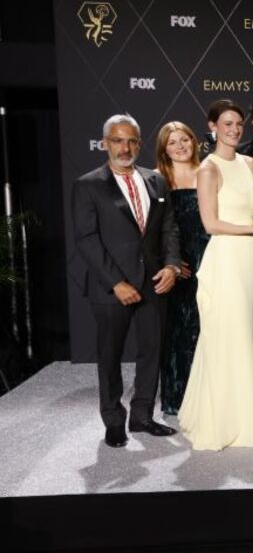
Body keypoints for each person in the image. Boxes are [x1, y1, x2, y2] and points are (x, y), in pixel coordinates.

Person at [179, 100, 253, 450]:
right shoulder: (208, 169)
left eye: (239, 123)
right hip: (227, 257)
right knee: (231, 334)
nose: (234, 128)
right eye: (227, 123)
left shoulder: (251, 163)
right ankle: (229, 417)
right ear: (212, 126)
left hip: (252, 259)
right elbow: (211, 223)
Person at [73, 114, 182, 448]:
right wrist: (116, 282)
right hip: (111, 287)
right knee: (110, 355)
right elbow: (87, 239)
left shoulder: (156, 181)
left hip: (154, 282)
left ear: (139, 142)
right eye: (118, 140)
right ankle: (114, 420)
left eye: (132, 140)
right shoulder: (88, 184)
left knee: (152, 352)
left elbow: (169, 229)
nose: (125, 147)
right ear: (105, 143)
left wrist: (172, 266)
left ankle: (142, 416)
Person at [154, 121, 208, 416]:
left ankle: (207, 399)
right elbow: (153, 229)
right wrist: (172, 263)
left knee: (207, 328)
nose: (180, 146)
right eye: (172, 142)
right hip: (177, 264)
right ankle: (178, 398)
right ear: (164, 148)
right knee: (178, 332)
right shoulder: (157, 179)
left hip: (210, 259)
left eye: (184, 139)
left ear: (193, 141)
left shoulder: (208, 173)